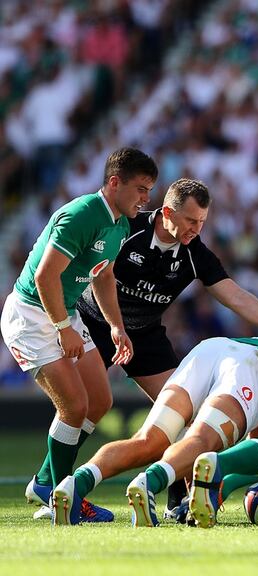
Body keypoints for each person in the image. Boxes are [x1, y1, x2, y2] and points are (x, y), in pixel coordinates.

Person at [1, 147, 157, 521]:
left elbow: (103, 275)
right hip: (33, 316)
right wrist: (61, 328)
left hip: (63, 313)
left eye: (149, 190)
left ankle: (44, 483)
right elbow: (44, 276)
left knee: (100, 401)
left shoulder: (120, 223)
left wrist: (117, 326)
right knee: (74, 407)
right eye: (140, 188)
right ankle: (64, 500)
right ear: (115, 182)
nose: (146, 199)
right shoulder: (83, 213)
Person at [76, 177, 258, 401]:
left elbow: (234, 295)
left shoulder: (195, 254)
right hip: (94, 323)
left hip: (143, 335)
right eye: (191, 220)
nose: (196, 229)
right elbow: (91, 271)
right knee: (86, 404)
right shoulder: (127, 228)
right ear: (167, 212)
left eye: (202, 221)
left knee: (181, 412)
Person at [49, 336, 258, 526]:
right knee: (202, 440)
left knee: (148, 440)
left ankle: (75, 484)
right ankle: (149, 482)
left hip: (209, 350)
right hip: (252, 367)